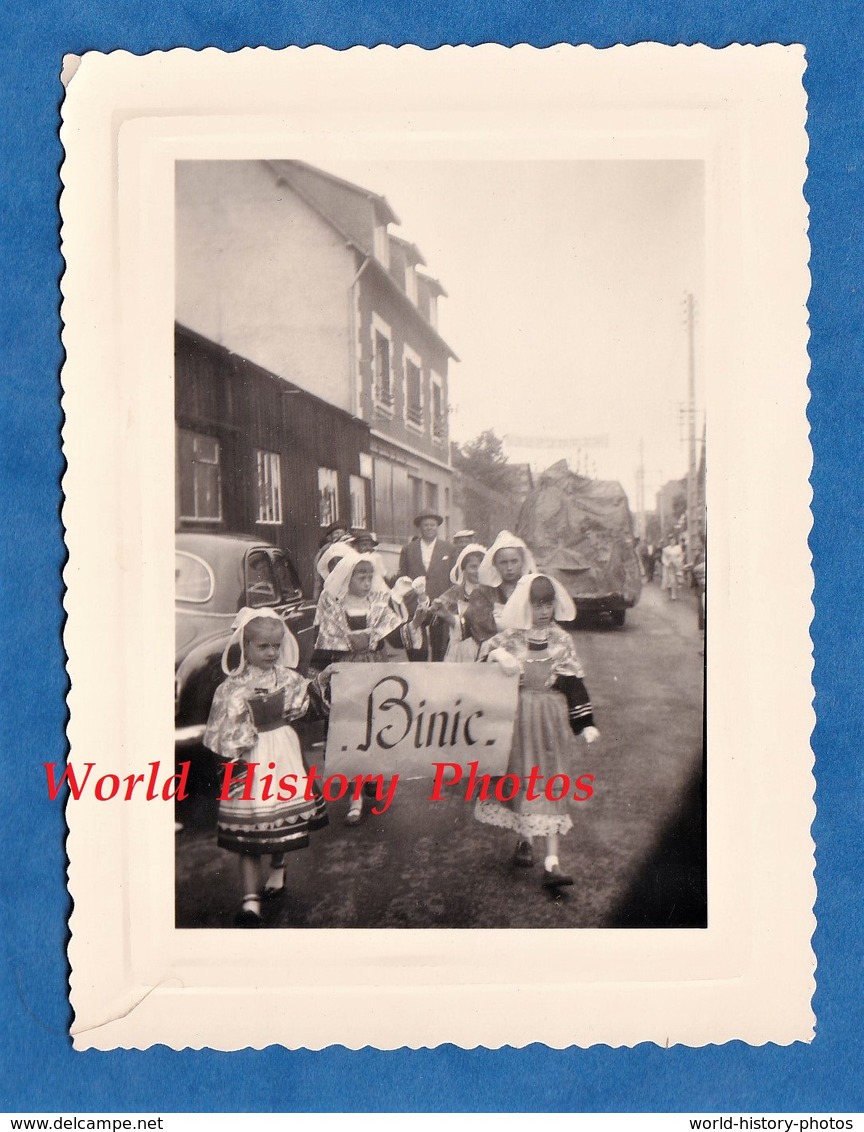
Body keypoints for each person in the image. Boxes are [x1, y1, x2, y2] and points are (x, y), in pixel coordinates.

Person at [202, 608, 330, 927]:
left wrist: (322, 682)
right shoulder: (231, 687)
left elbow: (304, 702)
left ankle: (279, 864)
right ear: (245, 647)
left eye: (276, 646)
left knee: (278, 816)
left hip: (282, 752)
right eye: (263, 646)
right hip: (248, 758)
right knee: (251, 823)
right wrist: (241, 740)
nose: (272, 652)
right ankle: (250, 899)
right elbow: (220, 728)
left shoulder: (287, 678)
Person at [475, 574, 600, 889]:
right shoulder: (512, 637)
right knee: (520, 775)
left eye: (548, 604)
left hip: (550, 719)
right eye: (537, 604)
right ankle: (525, 839)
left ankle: (552, 862)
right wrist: (495, 655)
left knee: (551, 779)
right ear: (525, 606)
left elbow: (574, 683)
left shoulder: (561, 640)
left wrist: (585, 724)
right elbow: (482, 658)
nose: (544, 611)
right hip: (518, 717)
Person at [309, 549, 413, 823]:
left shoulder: (378, 607)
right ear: (347, 578)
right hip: (347, 675)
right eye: (360, 576)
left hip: (373, 671)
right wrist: (318, 680)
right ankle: (355, 795)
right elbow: (323, 645)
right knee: (352, 731)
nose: (367, 581)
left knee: (373, 727)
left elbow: (398, 638)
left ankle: (371, 779)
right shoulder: (335, 608)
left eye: (370, 576)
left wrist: (417, 618)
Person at [398, 510, 456, 661]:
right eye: (426, 525)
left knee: (440, 645)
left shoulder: (448, 549)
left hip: (440, 601)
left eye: (433, 525)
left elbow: (452, 578)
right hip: (416, 602)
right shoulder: (408, 549)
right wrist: (408, 596)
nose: (430, 528)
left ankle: (438, 676)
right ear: (420, 528)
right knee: (418, 645)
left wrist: (448, 600)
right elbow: (402, 577)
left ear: (437, 527)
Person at [464, 530, 537, 647]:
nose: (509, 567)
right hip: (495, 651)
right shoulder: (482, 593)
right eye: (503, 562)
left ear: (522, 562)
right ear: (495, 564)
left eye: (514, 561)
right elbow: (483, 629)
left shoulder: (533, 588)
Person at [431, 542, 487, 662]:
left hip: (484, 647)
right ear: (464, 569)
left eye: (482, 567)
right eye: (473, 567)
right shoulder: (457, 591)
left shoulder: (490, 591)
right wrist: (438, 607)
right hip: (460, 649)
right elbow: (437, 611)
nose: (478, 571)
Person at [661, 536, 684, 601]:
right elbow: (663, 558)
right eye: (671, 540)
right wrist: (667, 563)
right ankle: (671, 595)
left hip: (676, 566)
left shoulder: (678, 548)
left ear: (675, 541)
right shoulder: (666, 549)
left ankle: (675, 595)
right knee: (669, 581)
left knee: (675, 581)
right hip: (669, 566)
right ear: (669, 541)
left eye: (673, 540)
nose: (672, 542)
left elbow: (681, 556)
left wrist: (678, 561)